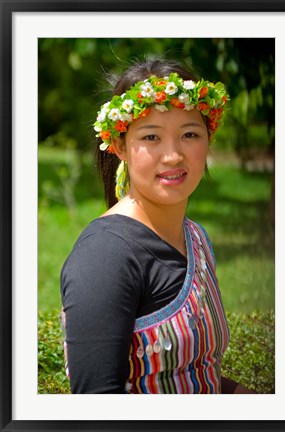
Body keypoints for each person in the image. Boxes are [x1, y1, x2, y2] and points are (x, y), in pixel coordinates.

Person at [60, 59, 255, 394]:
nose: (173, 155)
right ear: (120, 146)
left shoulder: (194, 237)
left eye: (190, 134)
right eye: (151, 136)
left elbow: (195, 374)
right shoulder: (105, 256)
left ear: (209, 138)